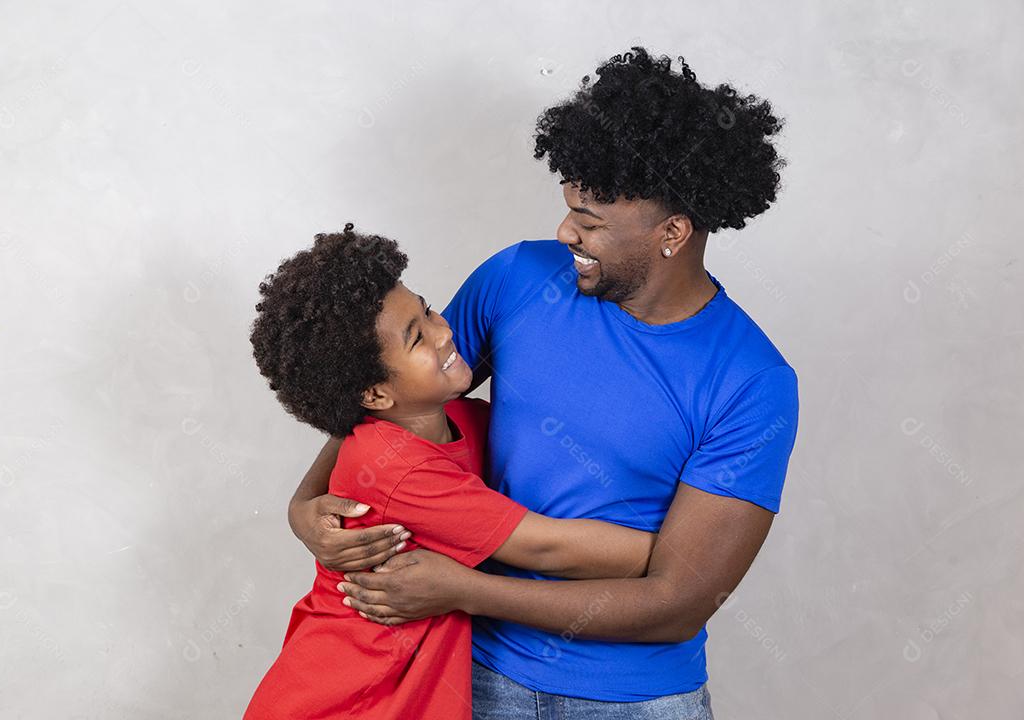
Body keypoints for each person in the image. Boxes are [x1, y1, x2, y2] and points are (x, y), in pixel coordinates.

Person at [288, 48, 800, 719]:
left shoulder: (752, 382)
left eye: (590, 222)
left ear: (673, 232)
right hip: (461, 675)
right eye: (568, 209)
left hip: (632, 702)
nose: (565, 231)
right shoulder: (520, 279)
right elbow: (384, 396)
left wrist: (466, 590)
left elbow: (677, 603)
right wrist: (304, 507)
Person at [242, 223, 657, 719]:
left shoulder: (465, 420)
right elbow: (546, 546)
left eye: (429, 308)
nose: (444, 331)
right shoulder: (398, 469)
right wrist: (684, 558)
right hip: (342, 700)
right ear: (374, 395)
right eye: (417, 337)